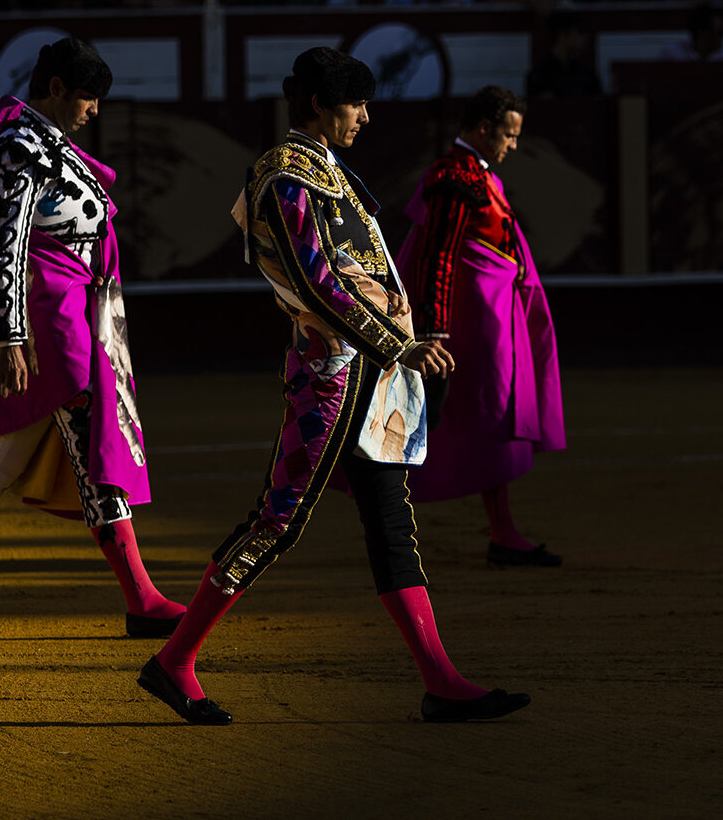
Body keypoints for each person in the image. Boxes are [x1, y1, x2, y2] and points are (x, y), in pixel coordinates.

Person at [137, 48, 530, 726]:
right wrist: (397, 344)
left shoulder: (320, 173)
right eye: (356, 105)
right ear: (320, 104)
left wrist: (400, 344)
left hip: (366, 369)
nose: (366, 117)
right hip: (329, 376)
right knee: (278, 518)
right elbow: (319, 284)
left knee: (388, 517)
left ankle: (440, 678)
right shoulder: (284, 178)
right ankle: (174, 661)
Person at [0, 38, 186, 640]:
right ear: (53, 89)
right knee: (90, 432)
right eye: (85, 98)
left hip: (69, 305)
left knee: (6, 453)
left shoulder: (42, 145)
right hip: (52, 316)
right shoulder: (20, 149)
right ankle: (141, 597)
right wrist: (9, 335)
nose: (93, 110)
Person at [397, 86, 567, 566]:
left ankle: (502, 530)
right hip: (465, 328)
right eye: (509, 135)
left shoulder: (473, 174)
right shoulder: (456, 176)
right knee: (460, 418)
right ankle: (397, 527)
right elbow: (439, 255)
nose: (512, 145)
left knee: (490, 419)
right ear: (485, 128)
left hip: (482, 321)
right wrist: (434, 330)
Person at [528, 11, 603, 97]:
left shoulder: (587, 75)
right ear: (562, 34)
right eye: (580, 32)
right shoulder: (539, 76)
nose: (585, 39)